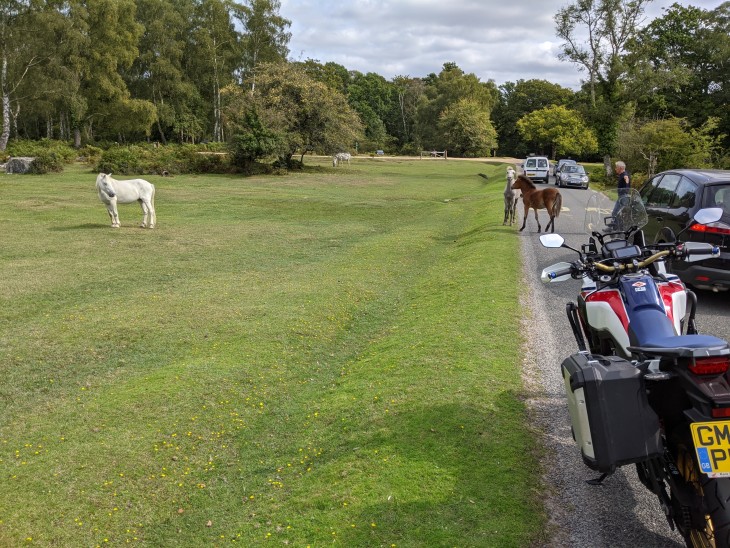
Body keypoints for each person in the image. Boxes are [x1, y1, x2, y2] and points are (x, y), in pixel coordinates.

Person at [610, 160, 631, 227]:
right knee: (617, 213)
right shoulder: (622, 175)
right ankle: (615, 227)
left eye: (616, 167)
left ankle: (614, 228)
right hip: (622, 197)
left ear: (620, 168)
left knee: (616, 212)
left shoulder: (625, 175)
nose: (615, 169)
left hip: (623, 197)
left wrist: (626, 189)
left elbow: (627, 181)